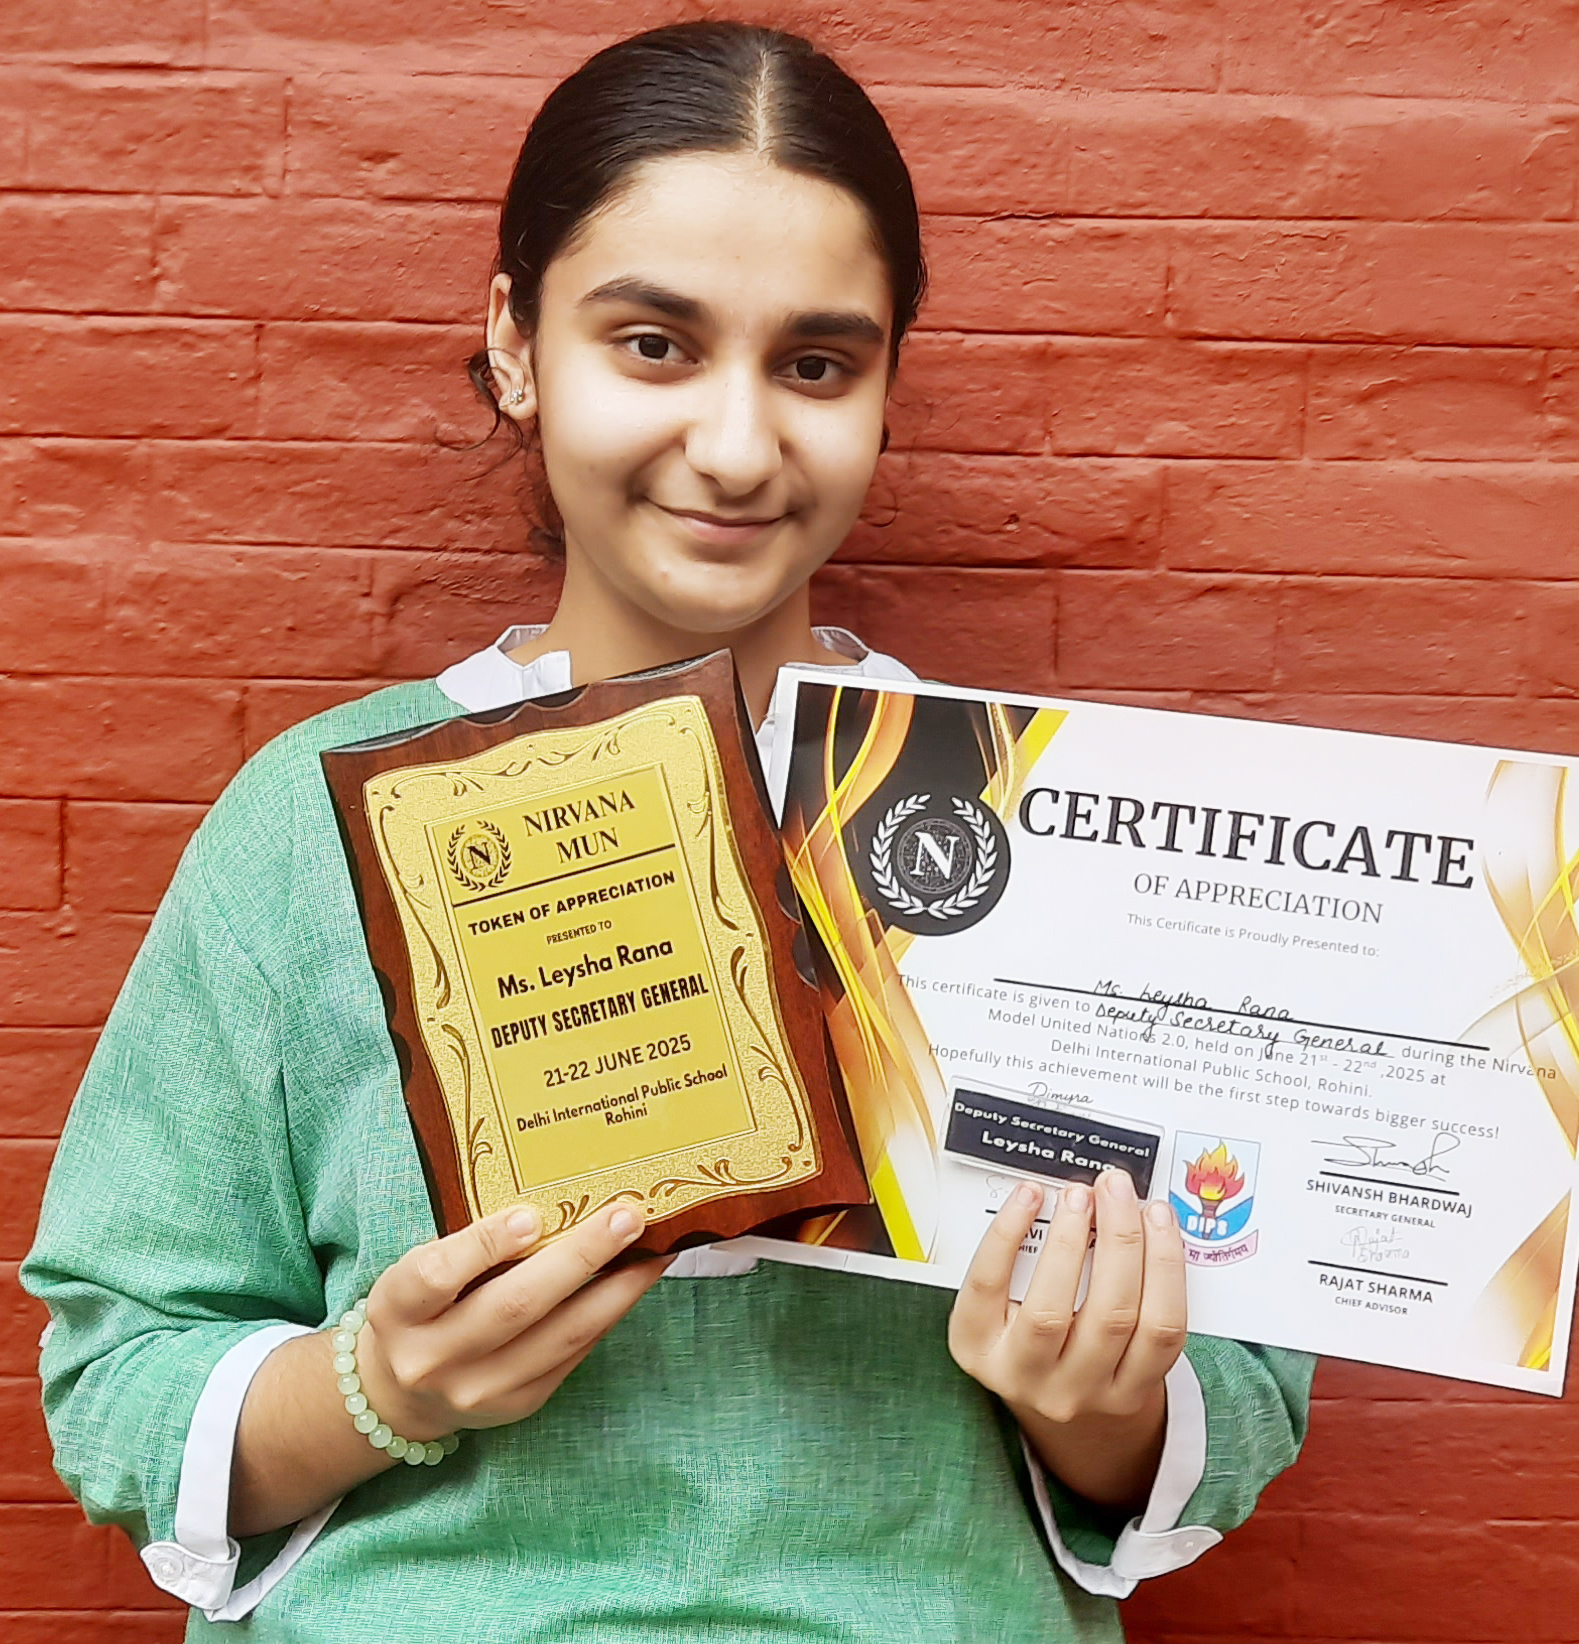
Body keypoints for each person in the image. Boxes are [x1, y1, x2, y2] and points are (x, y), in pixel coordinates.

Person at [23, 22, 1312, 1642]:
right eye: (653, 345)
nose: (736, 445)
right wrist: (379, 1384)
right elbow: (116, 1380)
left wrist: (1103, 1403)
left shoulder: (1057, 826)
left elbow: (1246, 1390)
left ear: (888, 387)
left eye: (817, 366)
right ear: (515, 345)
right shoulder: (312, 822)